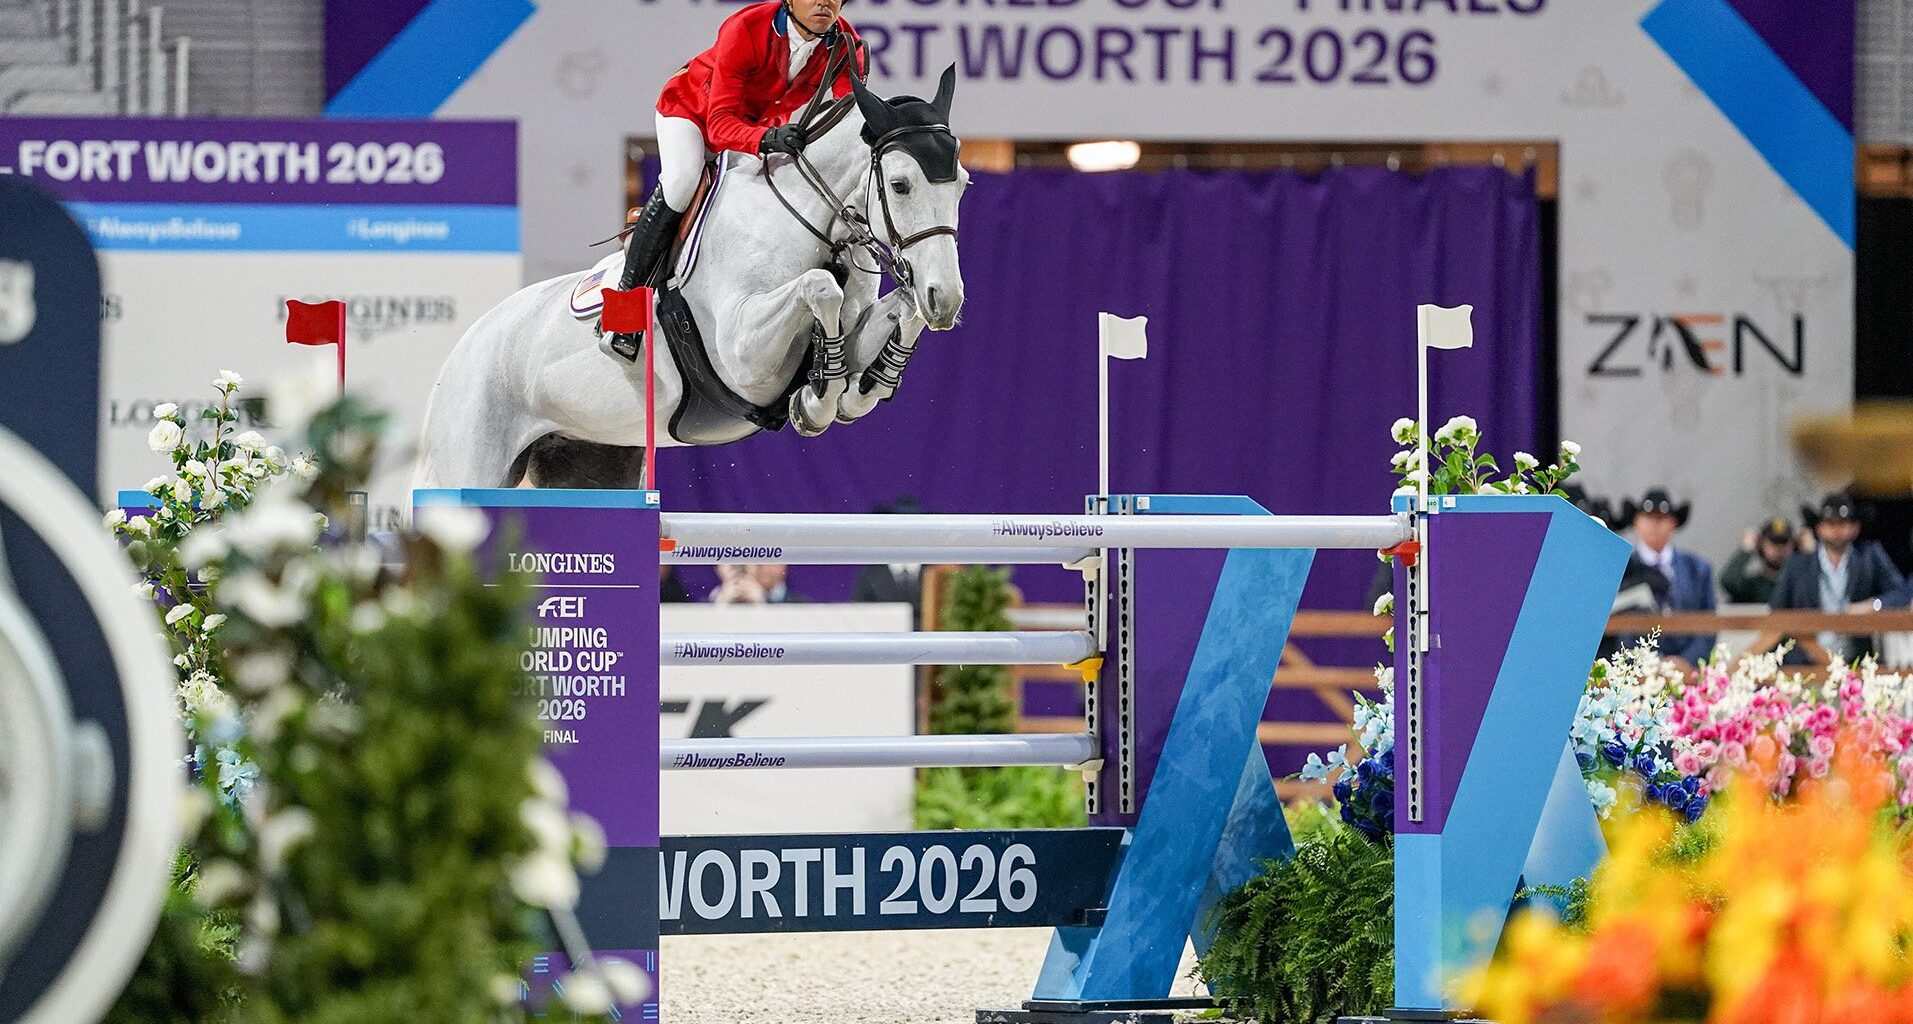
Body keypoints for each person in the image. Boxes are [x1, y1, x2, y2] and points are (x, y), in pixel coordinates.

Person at [602, 0, 866, 360]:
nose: (824, 1)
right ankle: (624, 314)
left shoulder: (849, 47)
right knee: (681, 182)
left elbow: (846, 124)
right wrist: (765, 140)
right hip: (692, 112)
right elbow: (720, 124)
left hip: (759, 129)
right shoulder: (746, 28)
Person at [1770, 491, 1906, 662]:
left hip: (1856, 662)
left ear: (1855, 528)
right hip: (1806, 663)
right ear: (1819, 528)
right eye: (1829, 524)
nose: (1835, 530)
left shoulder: (1869, 557)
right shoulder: (1796, 565)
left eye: (1842, 524)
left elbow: (1902, 592)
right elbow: (1776, 610)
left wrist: (1872, 605)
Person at [1618, 488, 1716, 667]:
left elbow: (1709, 624)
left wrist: (1686, 662)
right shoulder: (1620, 569)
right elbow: (1617, 628)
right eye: (1648, 517)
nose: (1655, 524)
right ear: (1636, 522)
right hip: (1634, 673)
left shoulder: (1698, 569)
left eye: (1661, 518)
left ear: (1673, 523)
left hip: (1686, 673)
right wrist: (1645, 665)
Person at [853, 496, 926, 626]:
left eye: (913, 526)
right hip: (884, 643)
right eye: (900, 528)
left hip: (933, 644)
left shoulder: (939, 573)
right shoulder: (870, 576)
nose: (906, 534)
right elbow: (858, 619)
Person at [1719, 516, 1797, 605]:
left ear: (1793, 546)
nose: (1779, 548)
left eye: (1784, 543)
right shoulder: (1753, 586)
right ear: (1761, 545)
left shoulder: (1799, 584)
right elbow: (1729, 581)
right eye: (1774, 543)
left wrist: (1807, 554)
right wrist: (1746, 550)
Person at [711, 563, 805, 605]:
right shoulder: (711, 599)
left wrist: (761, 604)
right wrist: (721, 605)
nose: (763, 566)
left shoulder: (801, 605)